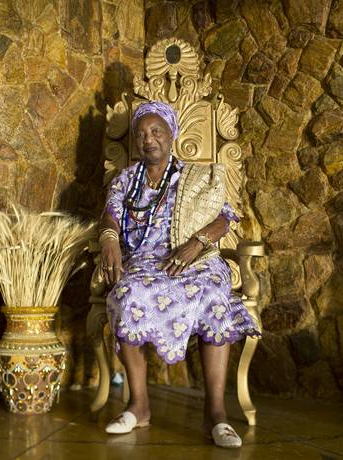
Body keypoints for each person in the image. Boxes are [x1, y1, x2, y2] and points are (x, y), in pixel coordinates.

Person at [99, 101, 260, 448]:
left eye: (156, 131)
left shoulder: (196, 176)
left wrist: (196, 243)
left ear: (172, 135)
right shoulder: (127, 179)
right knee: (128, 297)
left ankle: (215, 413)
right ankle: (138, 405)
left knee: (214, 298)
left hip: (195, 260)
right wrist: (109, 238)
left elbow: (225, 216)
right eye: (142, 133)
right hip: (144, 262)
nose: (148, 139)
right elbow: (110, 214)